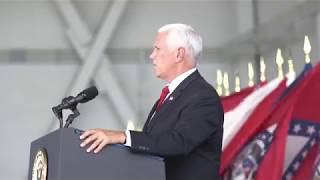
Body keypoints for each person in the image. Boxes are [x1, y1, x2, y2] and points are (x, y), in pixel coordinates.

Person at [80, 23, 224, 180]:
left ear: (179, 54)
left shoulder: (203, 96)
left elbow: (179, 142)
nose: (152, 55)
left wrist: (124, 136)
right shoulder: (171, 96)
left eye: (157, 49)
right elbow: (152, 148)